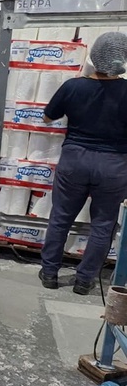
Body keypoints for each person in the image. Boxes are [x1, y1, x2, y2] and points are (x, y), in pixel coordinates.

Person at [38, 32, 127, 295]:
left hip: (75, 158)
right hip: (114, 164)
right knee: (103, 224)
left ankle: (50, 273)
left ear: (94, 55)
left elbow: (46, 118)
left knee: (61, 218)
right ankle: (85, 280)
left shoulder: (72, 86)